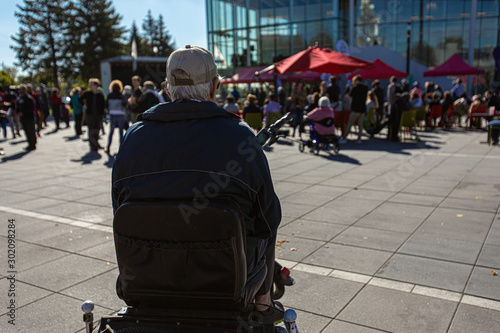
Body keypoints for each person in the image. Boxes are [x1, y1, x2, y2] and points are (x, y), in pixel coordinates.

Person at [112, 45, 282, 323]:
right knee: (268, 220)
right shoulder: (239, 138)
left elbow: (119, 208)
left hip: (147, 277)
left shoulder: (133, 139)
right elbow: (267, 219)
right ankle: (263, 302)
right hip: (226, 280)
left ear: (168, 88)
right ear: (215, 87)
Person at [339, 75, 368, 144]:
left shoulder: (354, 88)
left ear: (357, 81)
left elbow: (350, 96)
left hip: (355, 108)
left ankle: (344, 137)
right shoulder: (365, 88)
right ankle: (359, 139)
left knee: (350, 123)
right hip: (363, 108)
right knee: (360, 124)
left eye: (354, 81)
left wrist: (351, 87)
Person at [79, 78, 106, 152]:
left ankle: (96, 144)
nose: (89, 86)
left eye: (91, 84)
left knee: (97, 130)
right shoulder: (87, 93)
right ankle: (93, 146)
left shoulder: (99, 94)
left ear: (95, 85)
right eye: (89, 84)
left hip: (98, 115)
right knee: (91, 130)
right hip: (90, 114)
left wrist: (103, 114)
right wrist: (83, 105)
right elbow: (80, 99)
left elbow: (103, 104)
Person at [106, 80, 127, 153]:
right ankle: (121, 148)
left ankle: (108, 146)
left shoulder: (109, 95)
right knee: (121, 132)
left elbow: (107, 105)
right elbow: (125, 105)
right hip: (120, 113)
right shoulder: (122, 95)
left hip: (112, 114)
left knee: (111, 131)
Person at [15, 85, 37, 150]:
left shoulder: (29, 98)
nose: (20, 91)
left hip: (29, 117)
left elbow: (31, 108)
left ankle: (33, 144)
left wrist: (23, 112)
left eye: (21, 90)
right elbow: (17, 106)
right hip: (23, 118)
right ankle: (29, 144)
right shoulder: (19, 98)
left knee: (31, 131)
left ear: (24, 90)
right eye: (19, 90)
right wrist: (18, 112)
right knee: (26, 131)